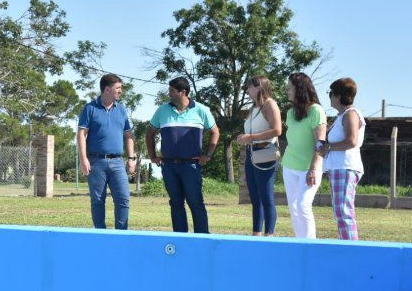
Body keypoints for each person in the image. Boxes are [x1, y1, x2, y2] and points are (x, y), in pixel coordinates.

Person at [146, 77, 219, 233]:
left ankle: (202, 238)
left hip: (191, 166)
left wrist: (208, 155)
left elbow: (215, 132)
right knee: (176, 203)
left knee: (195, 202)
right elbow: (150, 133)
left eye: (172, 91)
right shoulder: (162, 110)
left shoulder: (201, 110)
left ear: (183, 92)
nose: (169, 94)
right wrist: (153, 156)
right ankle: (181, 238)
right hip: (169, 166)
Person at [77, 74, 136, 229]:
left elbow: (128, 136)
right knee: (97, 201)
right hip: (96, 162)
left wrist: (131, 158)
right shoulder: (90, 109)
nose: (121, 91)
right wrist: (83, 159)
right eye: (118, 88)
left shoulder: (122, 110)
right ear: (107, 89)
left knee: (123, 199)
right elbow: (81, 134)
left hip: (118, 162)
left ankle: (121, 235)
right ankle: (100, 235)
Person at [281, 72, 327, 238]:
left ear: (299, 89)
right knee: (293, 207)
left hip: (309, 168)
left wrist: (314, 168)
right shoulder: (290, 113)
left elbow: (320, 142)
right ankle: (299, 243)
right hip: (289, 166)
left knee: (302, 205)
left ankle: (310, 245)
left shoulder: (316, 111)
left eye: (290, 87)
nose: (287, 90)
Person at [320, 78, 365, 240]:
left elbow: (351, 141)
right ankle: (347, 244)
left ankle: (351, 249)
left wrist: (329, 148)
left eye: (330, 93)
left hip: (345, 167)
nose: (329, 97)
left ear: (338, 96)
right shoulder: (342, 115)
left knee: (343, 210)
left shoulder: (350, 114)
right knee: (340, 210)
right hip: (339, 168)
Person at [237, 76, 283, 236]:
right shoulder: (254, 107)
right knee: (255, 198)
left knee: (266, 197)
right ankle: (256, 235)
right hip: (251, 154)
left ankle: (269, 235)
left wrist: (251, 137)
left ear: (258, 87)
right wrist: (245, 137)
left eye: (249, 87)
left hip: (265, 154)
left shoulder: (270, 104)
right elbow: (254, 130)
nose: (247, 90)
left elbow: (277, 130)